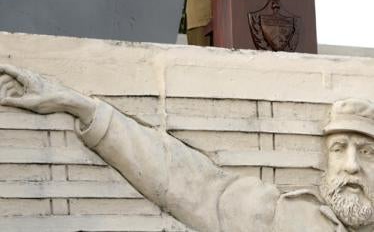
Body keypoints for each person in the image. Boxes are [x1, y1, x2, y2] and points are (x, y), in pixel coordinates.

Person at [1, 64, 374, 231]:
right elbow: (192, 184)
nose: (352, 166)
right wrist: (82, 107)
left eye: (368, 152)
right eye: (339, 148)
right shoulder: (293, 221)